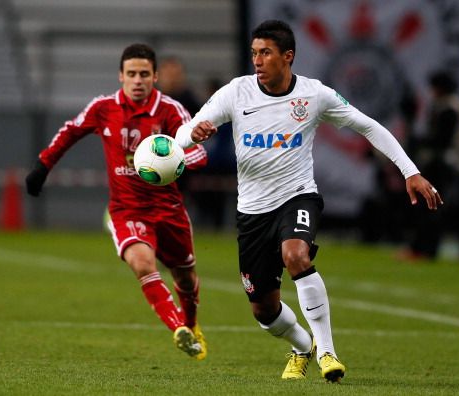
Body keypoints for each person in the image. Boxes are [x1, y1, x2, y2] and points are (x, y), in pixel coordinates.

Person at [175, 20, 442, 382]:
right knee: (263, 311)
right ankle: (302, 346)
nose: (257, 60)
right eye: (254, 53)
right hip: (252, 212)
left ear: (288, 56)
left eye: (265, 53)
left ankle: (328, 353)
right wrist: (193, 133)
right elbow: (181, 136)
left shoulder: (314, 95)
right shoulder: (236, 93)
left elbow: (369, 126)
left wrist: (410, 171)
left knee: (296, 255)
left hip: (297, 196)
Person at [25, 43, 208, 360]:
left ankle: (191, 326)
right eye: (132, 74)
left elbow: (198, 153)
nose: (138, 80)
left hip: (169, 210)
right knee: (142, 264)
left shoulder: (170, 111)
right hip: (127, 209)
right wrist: (43, 166)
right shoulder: (103, 108)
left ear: (155, 77)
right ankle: (177, 326)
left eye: (145, 74)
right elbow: (70, 131)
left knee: (185, 276)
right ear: (120, 76)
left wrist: (177, 161)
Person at [402, 71, 459, 260]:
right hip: (437, 162)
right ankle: (422, 248)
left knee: (432, 206)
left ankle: (427, 249)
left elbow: (442, 140)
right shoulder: (442, 106)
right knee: (427, 206)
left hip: (442, 164)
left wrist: (421, 143)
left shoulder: (450, 109)